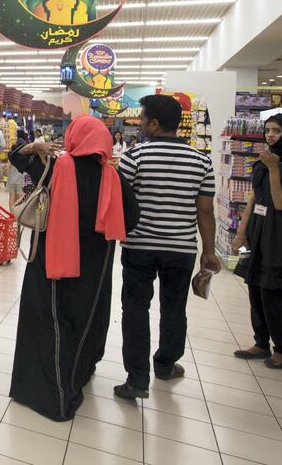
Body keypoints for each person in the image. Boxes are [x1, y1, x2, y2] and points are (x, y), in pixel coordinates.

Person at [8, 115, 139, 421]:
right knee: (84, 321)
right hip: (95, 266)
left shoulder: (55, 167)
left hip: (53, 259)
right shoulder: (113, 177)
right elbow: (131, 219)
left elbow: (16, 157)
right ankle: (78, 373)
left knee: (50, 320)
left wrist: (34, 146)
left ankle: (51, 393)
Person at [115, 94, 220, 399]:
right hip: (181, 247)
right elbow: (205, 210)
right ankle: (165, 364)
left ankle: (136, 379)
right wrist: (209, 250)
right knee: (174, 306)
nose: (141, 123)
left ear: (155, 124)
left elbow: (123, 201)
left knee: (135, 307)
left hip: (140, 245)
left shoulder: (134, 157)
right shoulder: (201, 160)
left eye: (143, 119)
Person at [232, 114, 282, 369]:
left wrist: (275, 168)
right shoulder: (261, 162)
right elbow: (253, 199)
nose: (270, 135)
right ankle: (260, 342)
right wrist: (241, 233)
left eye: (276, 130)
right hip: (257, 229)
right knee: (253, 285)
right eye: (267, 130)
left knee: (271, 291)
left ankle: (281, 349)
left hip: (279, 233)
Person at [5, 131, 28, 211]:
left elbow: (7, 168)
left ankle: (11, 213)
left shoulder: (12, 157)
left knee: (11, 197)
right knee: (19, 197)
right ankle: (16, 214)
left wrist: (5, 173)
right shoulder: (25, 157)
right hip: (20, 180)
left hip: (11, 180)